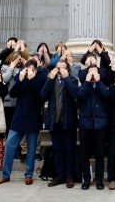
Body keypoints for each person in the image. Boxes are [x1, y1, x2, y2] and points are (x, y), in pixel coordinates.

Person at [0, 59, 47, 186]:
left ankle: (29, 174)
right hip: (19, 118)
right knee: (10, 145)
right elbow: (12, 94)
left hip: (33, 118)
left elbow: (41, 96)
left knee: (32, 148)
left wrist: (32, 79)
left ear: (35, 70)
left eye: (30, 69)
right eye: (26, 69)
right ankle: (5, 174)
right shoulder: (19, 79)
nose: (27, 71)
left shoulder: (40, 80)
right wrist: (20, 80)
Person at [40, 59, 79, 188]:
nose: (60, 70)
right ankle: (60, 175)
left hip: (68, 120)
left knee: (69, 149)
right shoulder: (50, 80)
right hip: (54, 120)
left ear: (67, 69)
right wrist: (50, 79)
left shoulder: (72, 80)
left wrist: (67, 78)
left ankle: (69, 176)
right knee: (57, 149)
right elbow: (43, 95)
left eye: (62, 68)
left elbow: (74, 93)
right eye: (58, 68)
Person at [76, 64, 110, 190]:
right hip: (85, 124)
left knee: (99, 155)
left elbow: (106, 95)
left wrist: (98, 81)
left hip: (99, 124)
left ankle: (99, 180)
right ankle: (86, 179)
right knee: (84, 155)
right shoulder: (84, 85)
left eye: (95, 73)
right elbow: (79, 95)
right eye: (90, 73)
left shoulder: (101, 85)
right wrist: (86, 82)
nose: (92, 75)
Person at [0, 52, 26, 139]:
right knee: (9, 126)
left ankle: (19, 149)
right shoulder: (5, 68)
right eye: (16, 59)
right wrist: (11, 67)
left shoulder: (24, 69)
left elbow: (20, 78)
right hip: (9, 102)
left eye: (19, 59)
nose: (18, 61)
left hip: (20, 102)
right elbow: (5, 79)